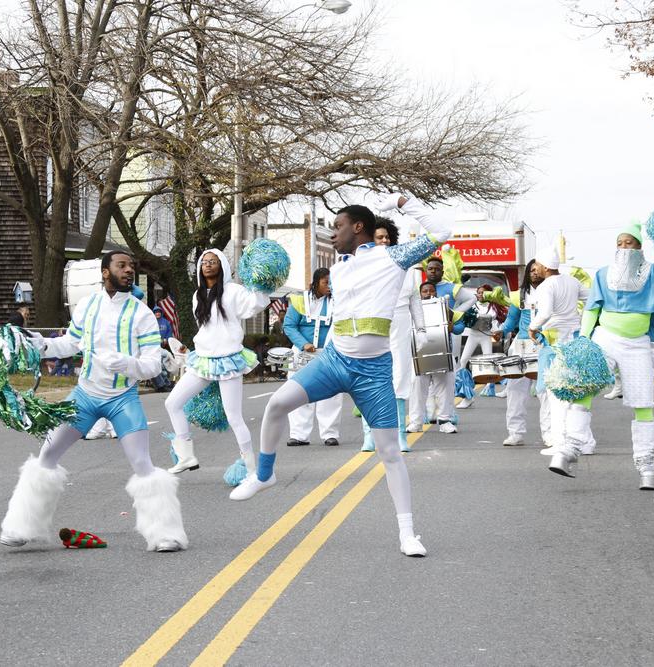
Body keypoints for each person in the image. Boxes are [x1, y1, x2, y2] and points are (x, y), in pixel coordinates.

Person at [232, 194, 452, 558]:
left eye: (337, 227)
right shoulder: (337, 269)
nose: (332, 234)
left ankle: (407, 533)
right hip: (335, 361)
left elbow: (442, 231)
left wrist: (403, 202)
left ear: (358, 227)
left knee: (389, 453)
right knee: (276, 405)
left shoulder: (392, 257)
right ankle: (265, 474)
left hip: (373, 370)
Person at [1, 251, 187, 552]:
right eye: (121, 266)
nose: (129, 271)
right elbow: (69, 343)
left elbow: (154, 365)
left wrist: (125, 363)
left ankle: (166, 534)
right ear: (104, 272)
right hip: (84, 397)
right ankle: (22, 527)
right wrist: (40, 344)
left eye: (131, 267)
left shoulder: (142, 314)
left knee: (142, 462)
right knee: (47, 455)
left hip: (123, 398)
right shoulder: (86, 306)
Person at [550, 223, 654, 488]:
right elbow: (591, 308)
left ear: (639, 246)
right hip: (606, 338)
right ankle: (568, 450)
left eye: (629, 243)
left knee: (644, 403)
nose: (624, 248)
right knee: (583, 390)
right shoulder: (603, 274)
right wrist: (585, 340)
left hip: (638, 345)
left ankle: (647, 467)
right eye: (620, 243)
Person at [163, 249, 270, 478]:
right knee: (173, 402)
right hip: (202, 360)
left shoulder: (233, 291)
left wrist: (263, 282)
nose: (208, 265)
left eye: (213, 261)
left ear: (221, 266)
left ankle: (250, 465)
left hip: (228, 360)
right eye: (204, 262)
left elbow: (255, 305)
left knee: (234, 417)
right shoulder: (197, 295)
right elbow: (204, 327)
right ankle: (186, 455)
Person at [359, 216, 426, 453]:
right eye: (379, 237)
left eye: (387, 237)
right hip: (373, 323)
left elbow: (415, 300)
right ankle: (369, 434)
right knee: (371, 378)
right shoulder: (361, 264)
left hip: (400, 323)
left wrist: (421, 329)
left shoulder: (406, 266)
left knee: (400, 378)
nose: (384, 240)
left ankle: (399, 435)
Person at [526, 245, 593, 470]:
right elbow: (592, 297)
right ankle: (585, 442)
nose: (535, 268)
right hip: (574, 339)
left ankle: (559, 442)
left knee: (556, 394)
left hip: (553, 342)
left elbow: (544, 314)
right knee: (576, 392)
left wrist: (532, 328)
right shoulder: (572, 281)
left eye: (537, 265)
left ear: (544, 266)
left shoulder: (546, 286)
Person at [407, 254, 474, 433]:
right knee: (417, 387)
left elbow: (460, 326)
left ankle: (445, 420)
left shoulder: (447, 298)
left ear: (442, 271)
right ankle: (416, 421)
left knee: (445, 386)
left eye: (437, 269)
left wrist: (453, 325)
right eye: (430, 269)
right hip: (419, 353)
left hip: (444, 349)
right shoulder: (413, 299)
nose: (433, 271)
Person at [284, 268, 342, 447]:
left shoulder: (338, 301)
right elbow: (289, 326)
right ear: (316, 282)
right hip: (301, 353)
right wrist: (303, 344)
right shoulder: (299, 300)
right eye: (326, 282)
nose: (330, 286)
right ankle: (299, 435)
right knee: (298, 392)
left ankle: (330, 434)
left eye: (332, 283)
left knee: (331, 394)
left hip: (328, 353)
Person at [495, 260, 549, 446]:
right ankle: (515, 433)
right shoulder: (518, 295)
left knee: (545, 391)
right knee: (515, 391)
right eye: (531, 270)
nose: (534, 273)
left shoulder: (552, 291)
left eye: (538, 270)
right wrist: (501, 331)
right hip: (520, 346)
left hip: (544, 345)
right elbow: (511, 322)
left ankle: (549, 434)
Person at [454, 284, 501, 409]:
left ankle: (490, 387)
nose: (480, 295)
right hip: (473, 336)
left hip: (486, 336)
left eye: (483, 293)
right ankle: (466, 391)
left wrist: (497, 332)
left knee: (488, 361)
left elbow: (496, 322)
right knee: (463, 361)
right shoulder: (472, 304)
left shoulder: (493, 306)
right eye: (479, 293)